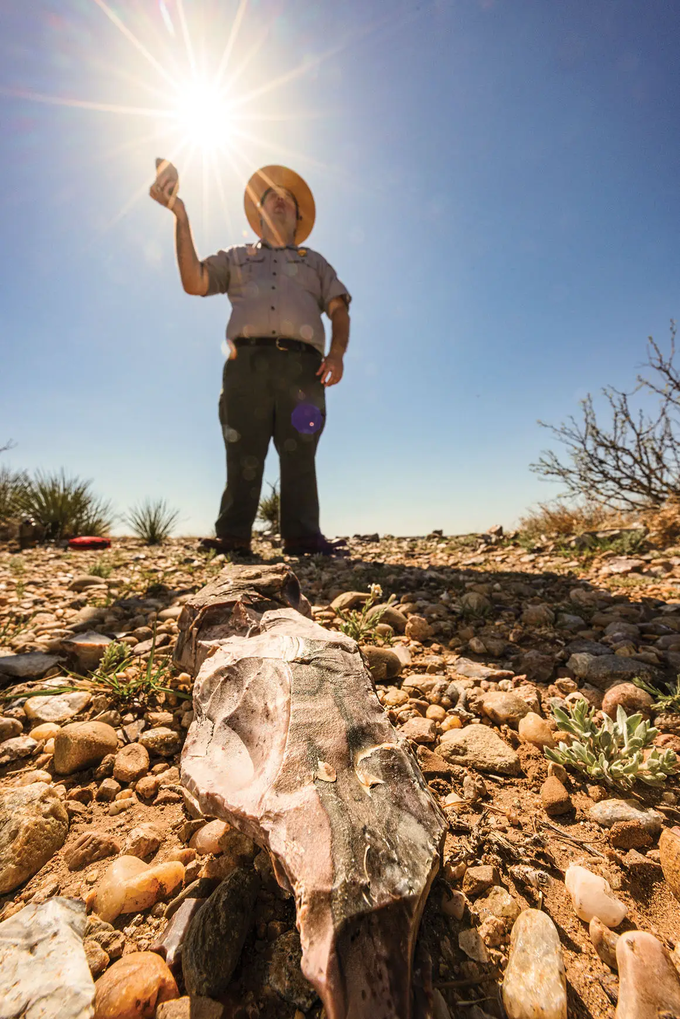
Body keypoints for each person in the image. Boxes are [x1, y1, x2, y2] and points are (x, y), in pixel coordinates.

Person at [150, 162, 351, 556]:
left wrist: (338, 354)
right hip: (246, 367)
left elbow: (340, 310)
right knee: (242, 450)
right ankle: (233, 536)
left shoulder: (316, 262)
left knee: (300, 453)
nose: (280, 200)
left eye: (288, 199)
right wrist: (181, 215)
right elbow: (194, 282)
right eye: (271, 197)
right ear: (258, 214)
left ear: (298, 215)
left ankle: (303, 538)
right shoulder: (237, 258)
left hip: (303, 371)